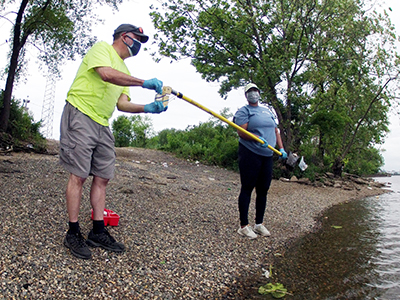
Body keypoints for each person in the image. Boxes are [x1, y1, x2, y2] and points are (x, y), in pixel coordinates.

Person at [60, 24, 168, 259]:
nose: (139, 43)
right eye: (137, 38)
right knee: (78, 175)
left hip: (102, 123)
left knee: (103, 176)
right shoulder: (102, 49)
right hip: (80, 112)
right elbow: (105, 74)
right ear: (124, 36)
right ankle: (73, 231)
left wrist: (149, 109)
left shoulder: (125, 70)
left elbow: (122, 105)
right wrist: (143, 82)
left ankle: (98, 231)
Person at [233, 83, 287, 239]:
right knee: (248, 187)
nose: (253, 93)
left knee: (263, 189)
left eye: (255, 90)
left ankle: (259, 224)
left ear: (259, 92)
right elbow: (242, 132)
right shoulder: (244, 111)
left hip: (267, 154)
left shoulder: (267, 111)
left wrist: (281, 148)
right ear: (246, 95)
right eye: (250, 91)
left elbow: (275, 130)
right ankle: (243, 226)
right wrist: (256, 138)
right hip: (250, 152)